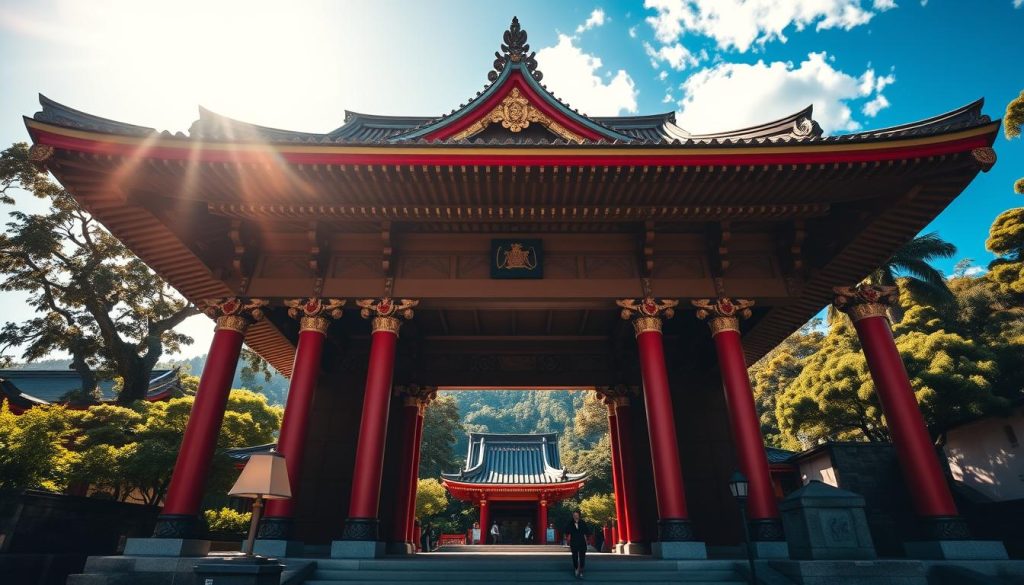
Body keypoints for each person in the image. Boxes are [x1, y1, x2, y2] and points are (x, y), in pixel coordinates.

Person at [563, 510, 591, 578]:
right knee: (574, 556)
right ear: (573, 516)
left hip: (582, 541)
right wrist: (567, 539)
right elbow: (566, 531)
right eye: (574, 515)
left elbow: (587, 531)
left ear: (579, 515)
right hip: (574, 541)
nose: (575, 516)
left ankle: (581, 570)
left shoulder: (583, 522)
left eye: (576, 515)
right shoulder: (570, 523)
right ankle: (576, 568)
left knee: (582, 557)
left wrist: (587, 539)